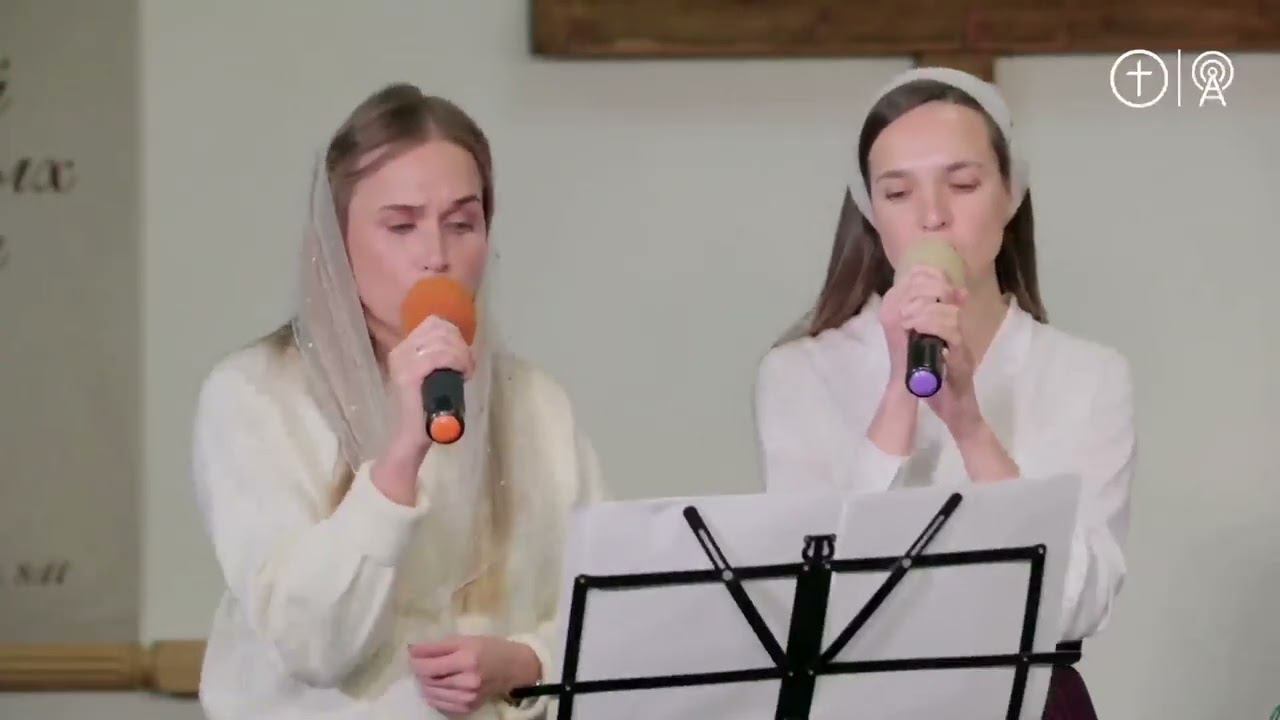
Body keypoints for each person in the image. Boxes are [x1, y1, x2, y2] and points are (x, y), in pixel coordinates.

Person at [191, 83, 603, 719]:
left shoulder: (537, 403)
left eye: (461, 224)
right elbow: (311, 646)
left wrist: (527, 664)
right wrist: (400, 457)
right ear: (337, 241)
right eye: (402, 226)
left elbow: (605, 606)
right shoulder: (254, 395)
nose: (436, 256)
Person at [753, 67, 1135, 719]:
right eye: (898, 193)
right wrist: (899, 396)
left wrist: (970, 427)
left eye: (962, 184)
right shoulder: (799, 373)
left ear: (1011, 194)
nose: (932, 216)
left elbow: (1077, 605)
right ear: (872, 214)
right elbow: (815, 602)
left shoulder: (1089, 374)